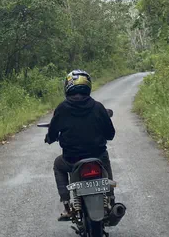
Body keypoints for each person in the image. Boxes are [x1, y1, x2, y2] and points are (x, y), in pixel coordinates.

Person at [45, 69, 116, 221]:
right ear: (88, 86)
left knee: (58, 165)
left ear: (68, 86)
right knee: (105, 160)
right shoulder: (98, 107)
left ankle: (67, 205)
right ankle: (110, 198)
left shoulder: (62, 109)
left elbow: (52, 132)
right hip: (98, 157)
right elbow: (110, 134)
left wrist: (50, 138)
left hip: (71, 159)